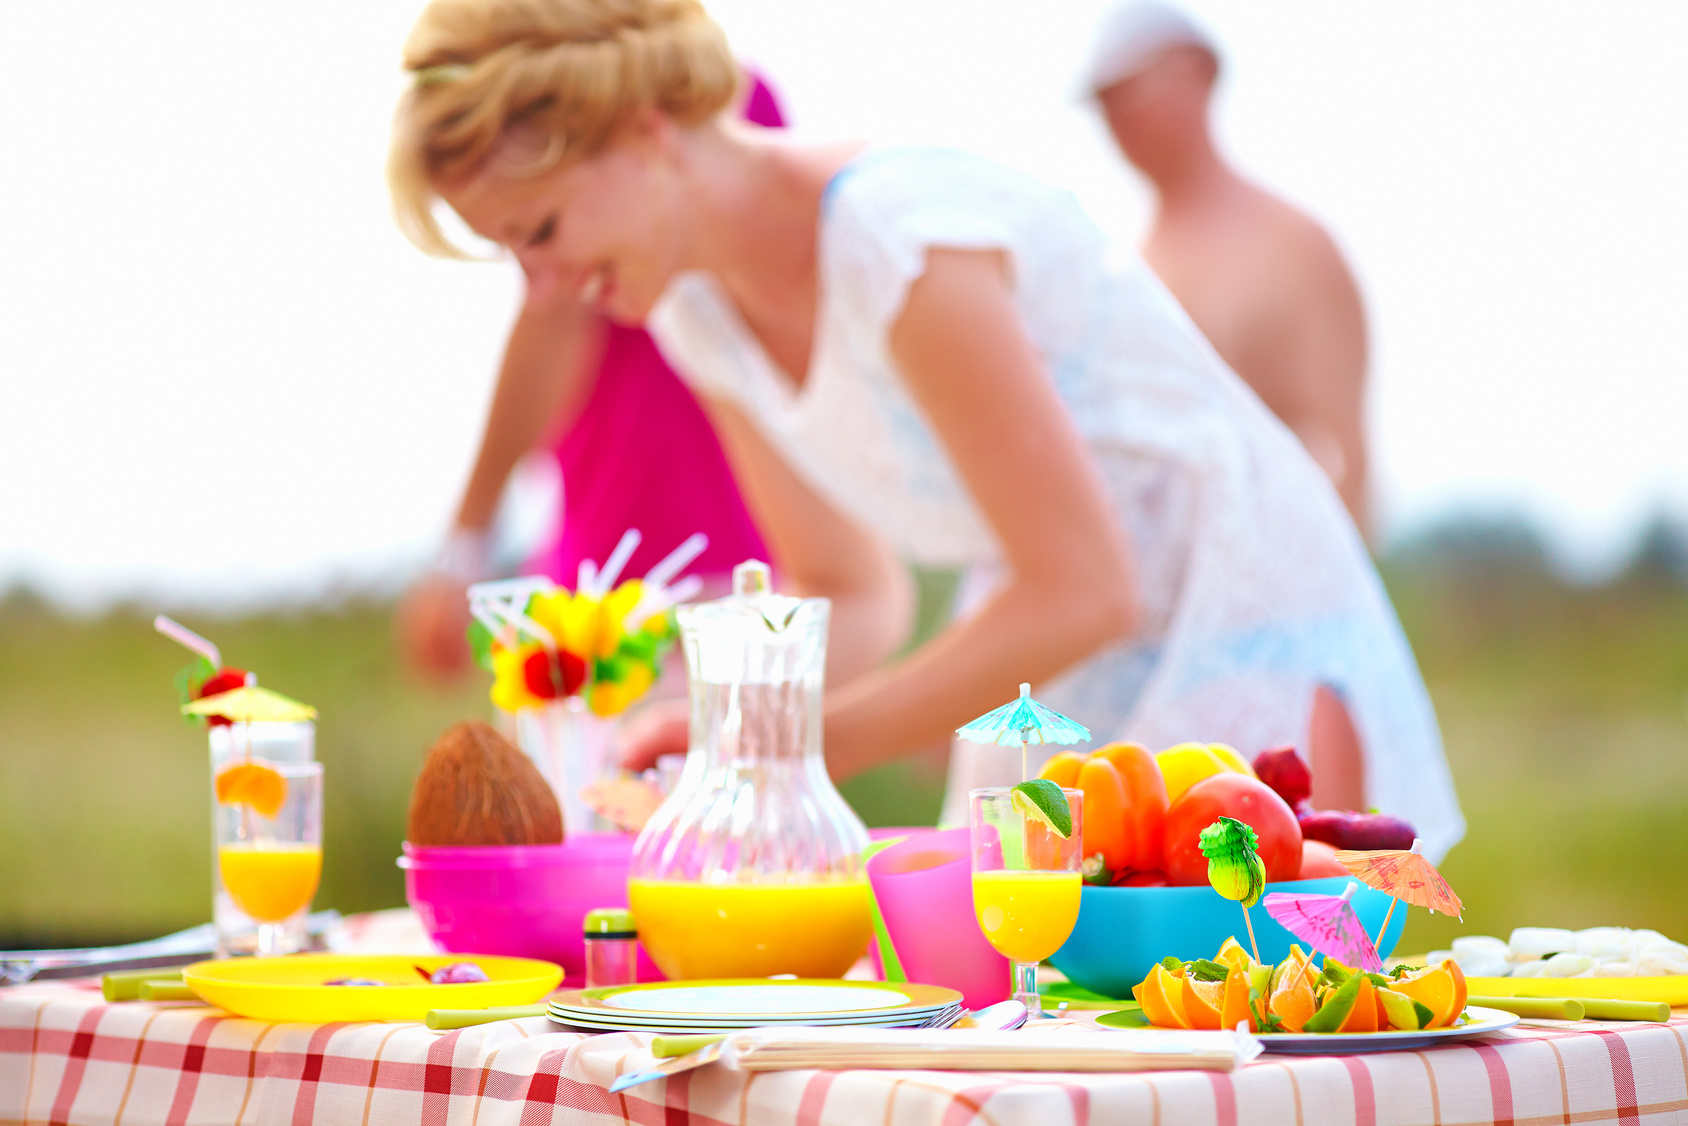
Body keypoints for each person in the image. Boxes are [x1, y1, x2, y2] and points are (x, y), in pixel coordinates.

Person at [387, 0, 1463, 858]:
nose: (540, 286)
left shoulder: (892, 234)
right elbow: (850, 593)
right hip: (1060, 657)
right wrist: (692, 712)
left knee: (1255, 1024)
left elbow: (1087, 585)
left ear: (641, 129)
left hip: (1244, 621)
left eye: (539, 231)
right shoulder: (694, 311)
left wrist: (794, 745)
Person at [396, 76, 784, 679]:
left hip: (694, 549)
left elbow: (551, 323)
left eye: (540, 232)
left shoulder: (688, 119)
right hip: (610, 554)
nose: (541, 281)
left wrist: (466, 542)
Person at [1085, 1, 1372, 533]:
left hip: (1286, 576)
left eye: (1130, 92)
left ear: (1198, 71)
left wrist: (1310, 595)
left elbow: (1348, 456)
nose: (1118, 120)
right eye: (1104, 103)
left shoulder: (1293, 246)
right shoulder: (1129, 270)